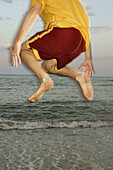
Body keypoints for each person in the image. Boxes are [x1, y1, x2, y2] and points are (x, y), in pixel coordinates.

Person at [11, 0, 94, 103]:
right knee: (48, 66)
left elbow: (35, 10)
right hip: (81, 43)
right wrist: (88, 58)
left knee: (24, 49)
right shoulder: (74, 3)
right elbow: (85, 29)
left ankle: (45, 80)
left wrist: (17, 43)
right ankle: (78, 75)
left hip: (64, 32)